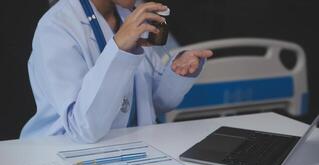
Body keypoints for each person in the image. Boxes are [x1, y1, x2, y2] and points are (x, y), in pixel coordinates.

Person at [20, 0, 213, 143]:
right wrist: (119, 49)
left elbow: (155, 101)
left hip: (128, 149)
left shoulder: (129, 16)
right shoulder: (56, 26)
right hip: (61, 155)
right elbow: (84, 129)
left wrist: (177, 73)